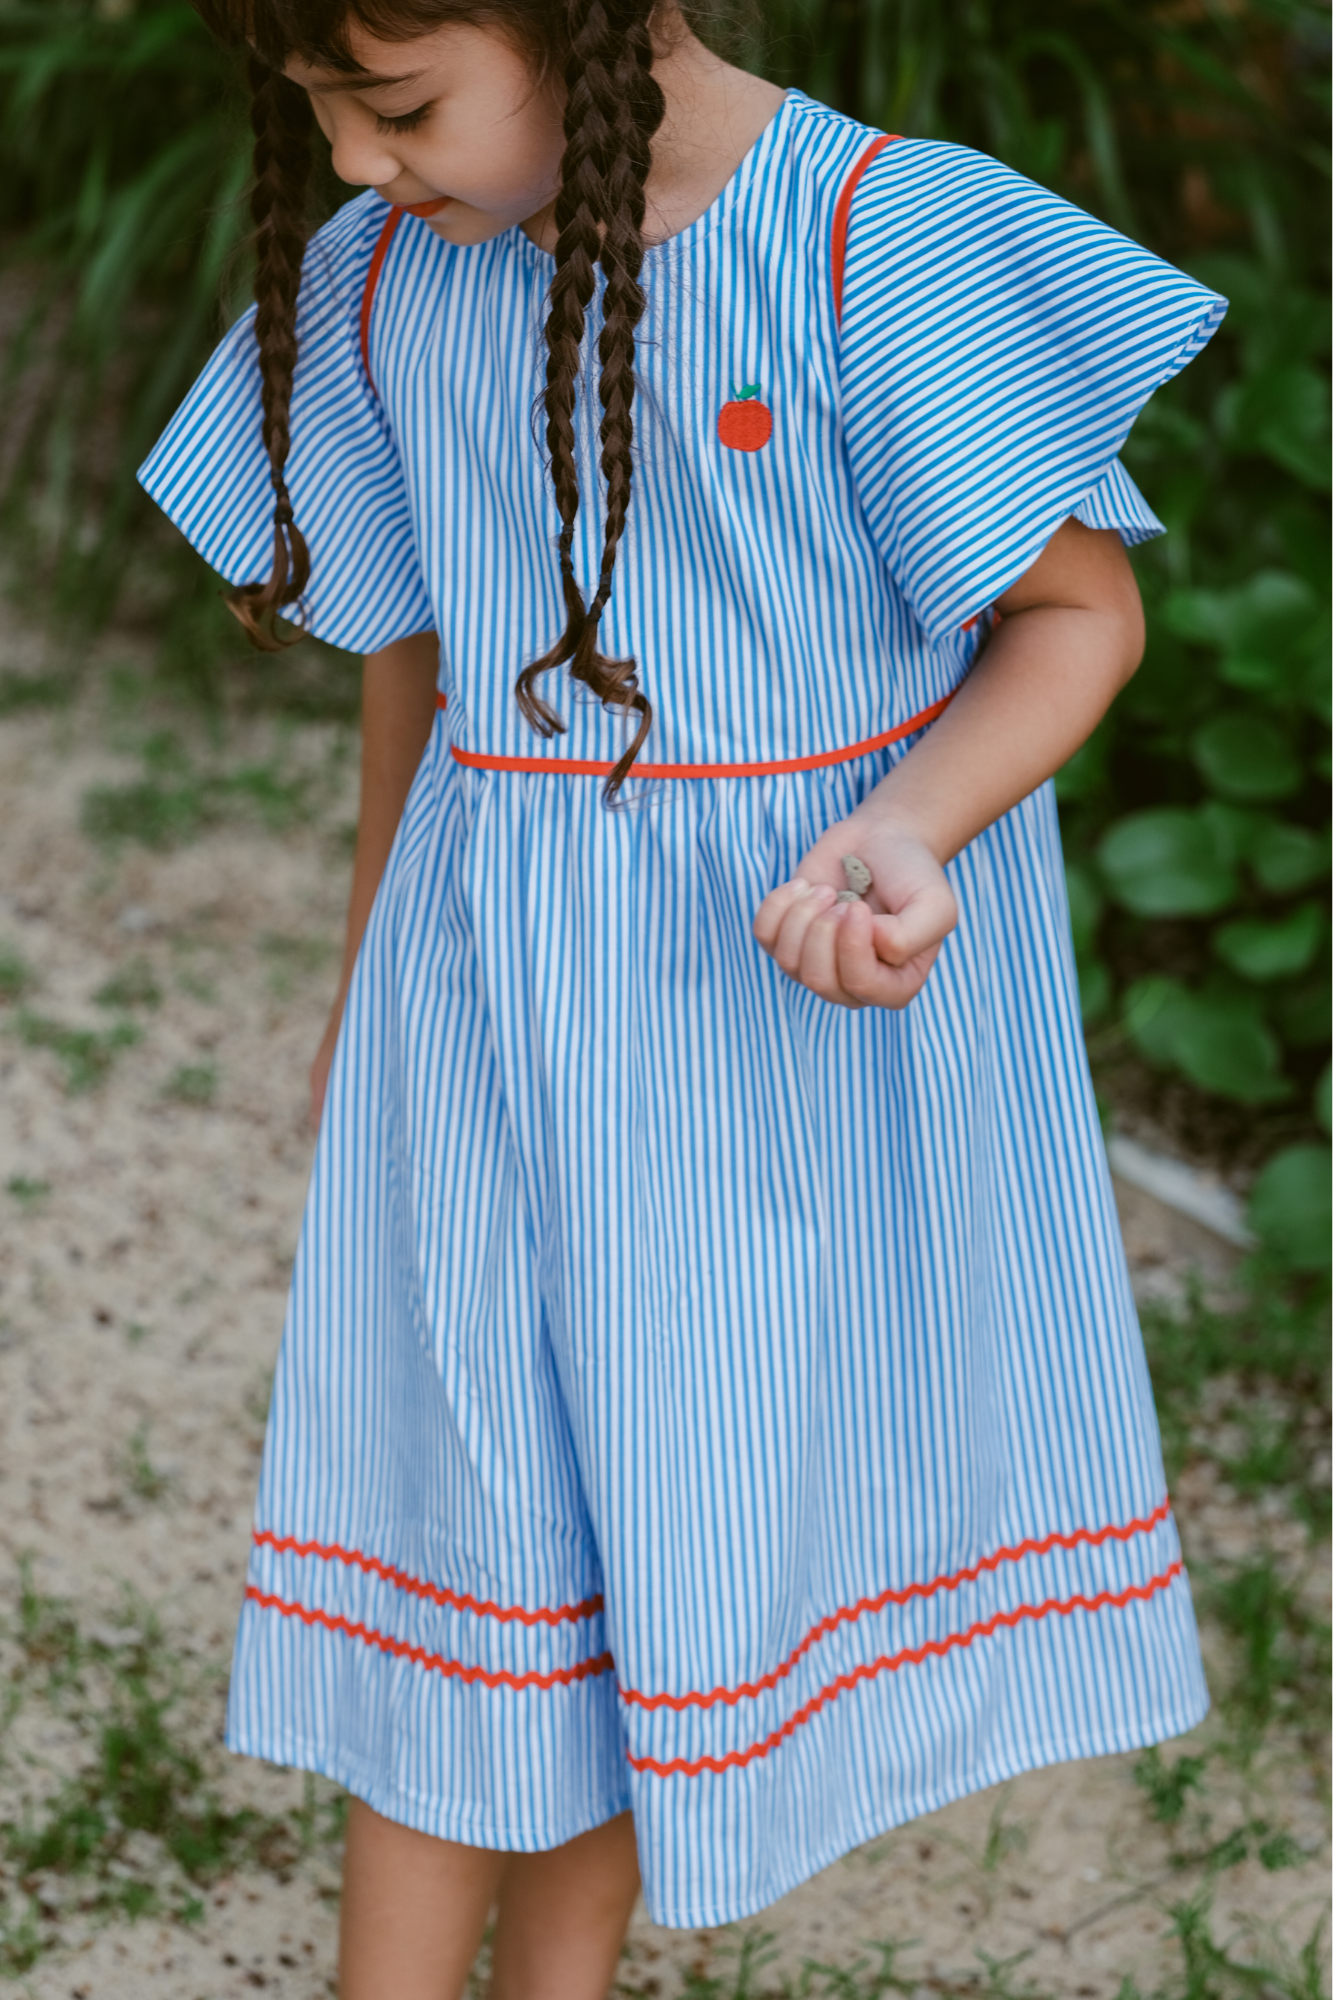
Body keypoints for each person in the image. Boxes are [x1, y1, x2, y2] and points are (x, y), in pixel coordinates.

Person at [140, 0, 1226, 1992]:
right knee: (469, 1536)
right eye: (318, 111)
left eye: (396, 102)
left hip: (766, 1041)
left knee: (649, 1535)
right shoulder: (389, 274)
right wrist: (369, 978)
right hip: (485, 1015)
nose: (358, 160)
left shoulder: (871, 240)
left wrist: (909, 828)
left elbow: (1081, 613)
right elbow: (415, 656)